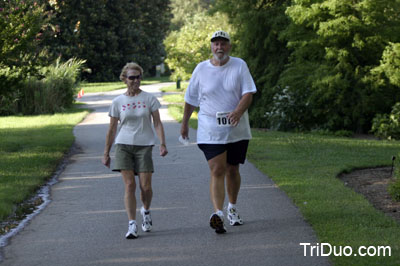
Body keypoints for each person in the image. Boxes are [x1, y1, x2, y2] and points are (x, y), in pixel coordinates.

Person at [180, 30, 257, 234]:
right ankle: (218, 214)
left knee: (232, 169)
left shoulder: (239, 65)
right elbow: (190, 99)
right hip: (210, 128)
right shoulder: (201, 69)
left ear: (229, 46)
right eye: (216, 44)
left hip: (236, 129)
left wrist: (238, 111)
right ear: (211, 47)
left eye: (223, 44)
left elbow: (248, 92)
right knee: (217, 169)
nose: (219, 47)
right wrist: (185, 123)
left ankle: (232, 207)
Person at [102, 62, 168, 239]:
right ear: (124, 79)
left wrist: (162, 143)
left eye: (138, 77)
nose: (135, 81)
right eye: (132, 77)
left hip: (145, 145)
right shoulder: (118, 102)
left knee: (145, 187)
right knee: (130, 185)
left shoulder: (149, 99)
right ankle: (132, 224)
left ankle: (145, 211)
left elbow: (157, 123)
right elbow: (112, 129)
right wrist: (106, 153)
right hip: (123, 145)